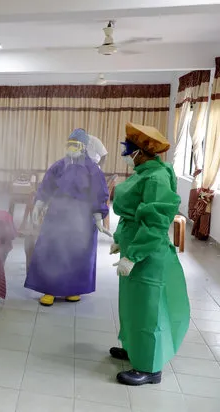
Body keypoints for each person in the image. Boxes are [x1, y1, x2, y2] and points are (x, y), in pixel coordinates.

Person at [109, 122, 190, 386]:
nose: (128, 156)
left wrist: (134, 254)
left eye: (130, 151)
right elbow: (134, 211)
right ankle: (134, 348)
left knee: (148, 309)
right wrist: (122, 241)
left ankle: (149, 367)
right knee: (132, 304)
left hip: (148, 255)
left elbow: (154, 222)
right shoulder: (145, 171)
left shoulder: (156, 177)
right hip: (135, 247)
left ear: (141, 152)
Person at [26, 128, 110, 306]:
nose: (71, 148)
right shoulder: (59, 166)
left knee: (78, 253)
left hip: (83, 219)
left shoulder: (92, 169)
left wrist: (98, 218)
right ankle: (49, 289)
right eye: (69, 144)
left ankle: (73, 289)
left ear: (84, 147)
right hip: (57, 215)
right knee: (52, 251)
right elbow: (46, 186)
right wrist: (38, 205)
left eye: (75, 144)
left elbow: (99, 194)